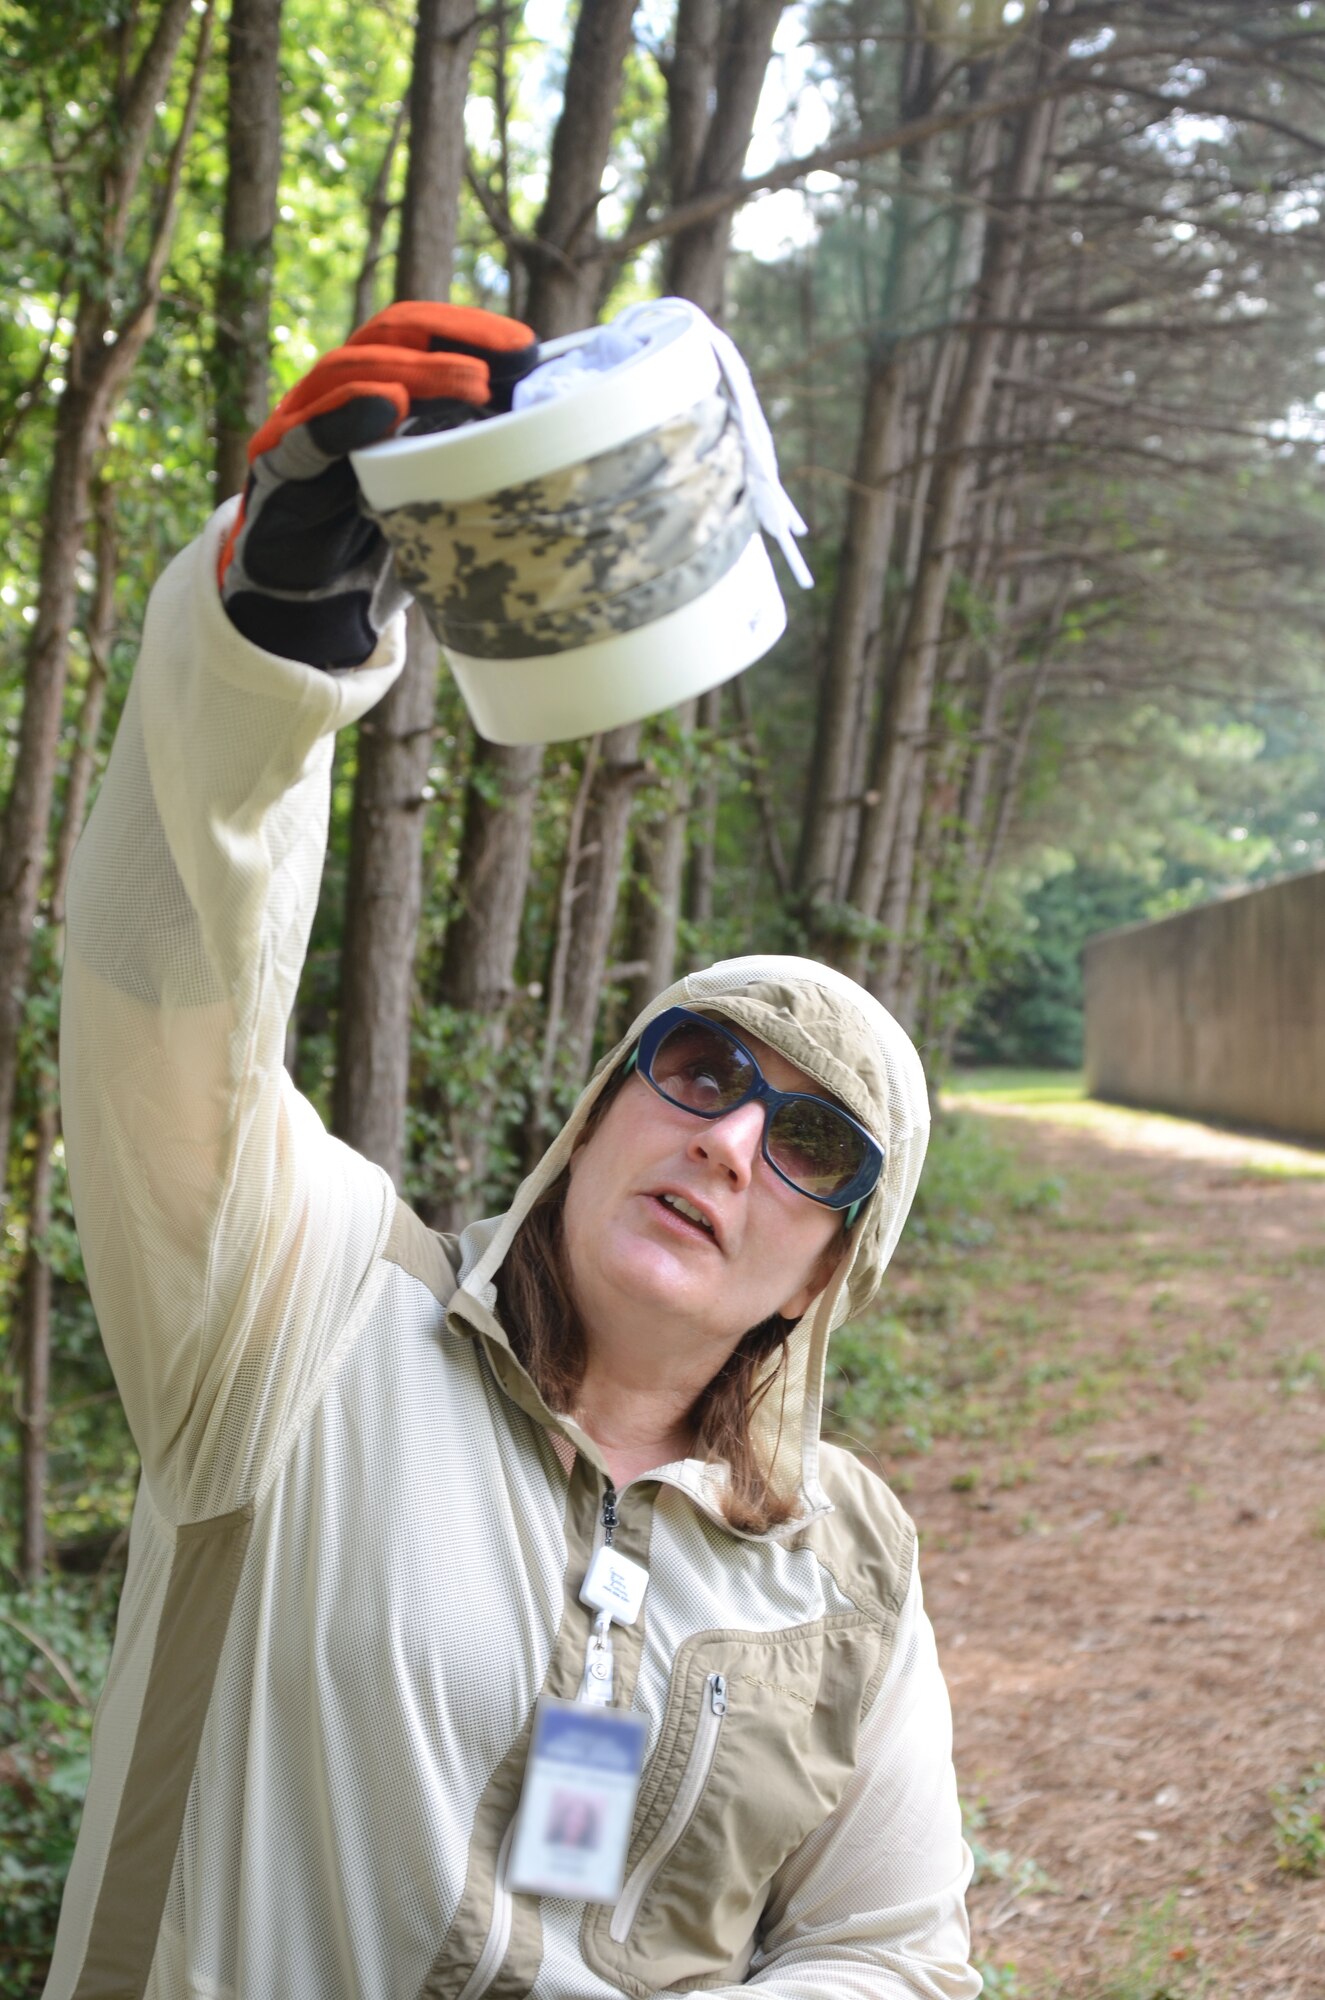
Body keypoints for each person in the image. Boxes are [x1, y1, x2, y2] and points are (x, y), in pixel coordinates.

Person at [46, 304, 980, 2000]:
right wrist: (274, 631)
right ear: (601, 1111)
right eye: (696, 1070)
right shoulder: (299, 1309)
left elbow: (893, 1949)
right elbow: (161, 993)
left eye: (814, 1145)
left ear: (833, 1269)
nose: (734, 1141)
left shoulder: (843, 1564)